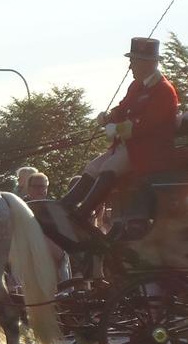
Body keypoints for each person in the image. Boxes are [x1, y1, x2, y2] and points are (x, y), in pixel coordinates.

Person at [62, 37, 181, 218]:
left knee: (110, 167)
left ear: (146, 63)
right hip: (129, 147)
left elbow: (147, 125)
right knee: (93, 167)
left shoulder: (164, 90)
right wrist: (109, 116)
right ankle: (64, 205)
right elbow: (123, 107)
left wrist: (116, 129)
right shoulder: (136, 86)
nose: (130, 66)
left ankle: (83, 213)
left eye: (133, 61)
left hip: (148, 150)